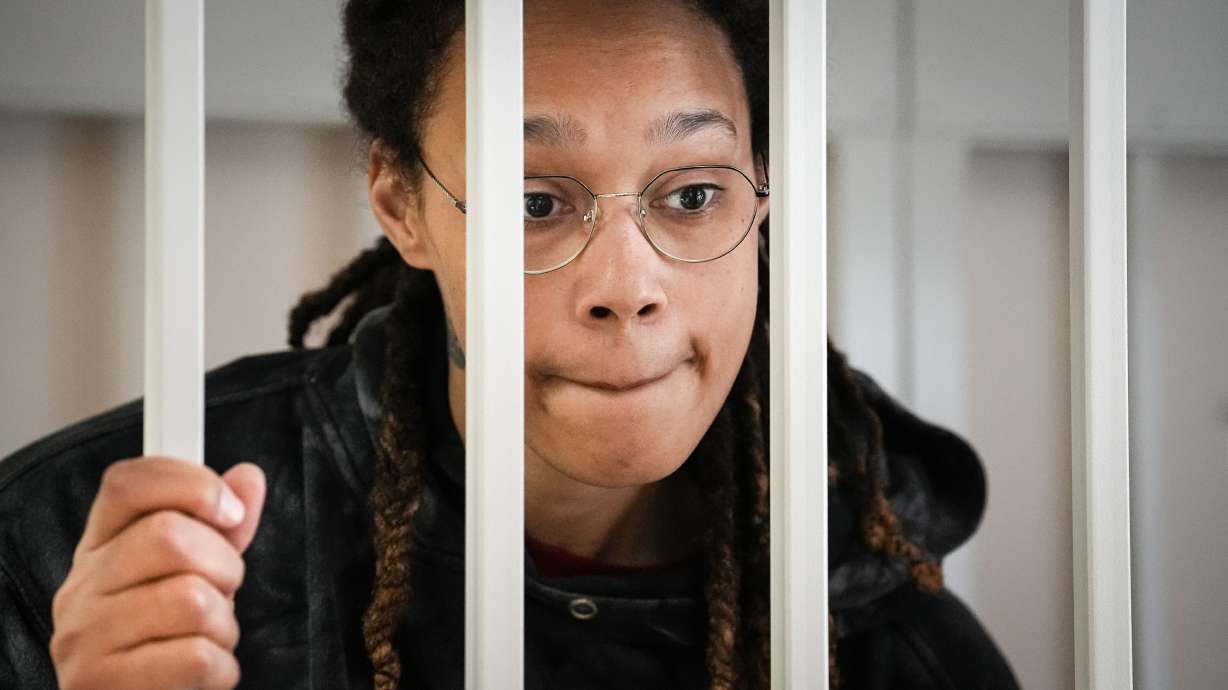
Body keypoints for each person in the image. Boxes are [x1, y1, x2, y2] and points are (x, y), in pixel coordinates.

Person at [0, 0, 1021, 688]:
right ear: (402, 204)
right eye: (534, 201)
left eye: (695, 195)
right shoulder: (93, 550)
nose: (627, 289)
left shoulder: (886, 617)